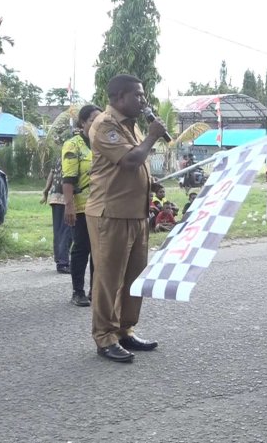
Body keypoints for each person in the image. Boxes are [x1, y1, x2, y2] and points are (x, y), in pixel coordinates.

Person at [86, 74, 165, 363]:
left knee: (134, 277)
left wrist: (151, 182)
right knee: (109, 278)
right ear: (119, 97)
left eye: (143, 96)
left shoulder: (131, 126)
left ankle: (124, 330)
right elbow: (130, 160)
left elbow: (137, 163)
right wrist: (154, 135)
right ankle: (104, 336)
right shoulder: (105, 125)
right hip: (111, 213)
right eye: (138, 96)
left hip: (136, 213)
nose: (143, 101)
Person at [63, 104, 101, 307]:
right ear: (83, 123)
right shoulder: (73, 145)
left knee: (100, 250)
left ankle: (96, 291)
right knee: (82, 248)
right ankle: (77, 291)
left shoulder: (103, 143)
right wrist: (69, 206)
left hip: (103, 205)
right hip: (82, 206)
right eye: (93, 120)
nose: (97, 123)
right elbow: (68, 179)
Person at [42, 127, 73, 274]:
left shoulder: (59, 156)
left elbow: (51, 175)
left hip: (55, 196)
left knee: (59, 230)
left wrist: (46, 192)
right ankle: (63, 262)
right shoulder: (72, 155)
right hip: (65, 197)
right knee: (66, 230)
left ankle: (60, 259)